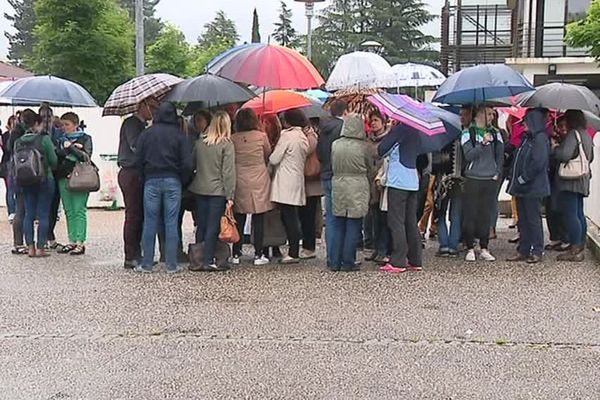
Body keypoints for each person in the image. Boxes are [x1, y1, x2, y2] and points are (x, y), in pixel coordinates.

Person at [135, 102, 193, 274]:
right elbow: (188, 164)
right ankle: (171, 264)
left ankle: (146, 264)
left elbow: (138, 159)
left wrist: (144, 177)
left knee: (150, 221)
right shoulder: (179, 135)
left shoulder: (146, 134)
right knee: (171, 222)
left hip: (151, 180)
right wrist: (182, 180)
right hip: (173, 180)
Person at [188, 111, 235, 271]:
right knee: (213, 226)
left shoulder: (200, 143)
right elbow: (228, 172)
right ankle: (208, 259)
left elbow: (192, 164)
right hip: (217, 191)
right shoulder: (226, 144)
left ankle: (197, 258)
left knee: (201, 224)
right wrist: (230, 195)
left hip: (199, 188)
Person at [117, 97, 158, 269]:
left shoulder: (139, 124)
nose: (154, 112)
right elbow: (136, 146)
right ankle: (130, 254)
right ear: (143, 106)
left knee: (139, 215)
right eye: (153, 108)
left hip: (136, 172)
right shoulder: (132, 123)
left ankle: (137, 253)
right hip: (131, 171)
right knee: (133, 215)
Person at [330, 115, 374, 271]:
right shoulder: (364, 146)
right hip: (357, 185)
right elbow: (370, 168)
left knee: (338, 224)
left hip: (338, 184)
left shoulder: (335, 145)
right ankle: (348, 261)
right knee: (354, 225)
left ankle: (334, 262)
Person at [377, 124, 424, 273]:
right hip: (412, 180)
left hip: (398, 181)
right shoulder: (416, 131)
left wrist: (391, 132)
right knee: (410, 221)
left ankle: (398, 260)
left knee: (396, 221)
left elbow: (382, 149)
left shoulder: (399, 130)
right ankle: (415, 259)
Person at [506, 109, 551, 264]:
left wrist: (523, 177)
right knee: (523, 220)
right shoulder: (528, 138)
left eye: (526, 120)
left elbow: (539, 162)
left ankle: (537, 250)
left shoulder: (539, 139)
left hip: (533, 186)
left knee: (533, 219)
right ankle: (523, 250)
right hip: (522, 187)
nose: (523, 124)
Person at [461, 106, 504, 262]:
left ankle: (484, 246)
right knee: (471, 213)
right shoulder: (468, 133)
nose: (492, 117)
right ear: (479, 115)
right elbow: (469, 155)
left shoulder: (495, 133)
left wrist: (497, 171)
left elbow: (500, 154)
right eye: (489, 114)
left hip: (489, 178)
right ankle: (470, 247)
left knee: (486, 213)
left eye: (493, 114)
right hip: (473, 177)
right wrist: (482, 144)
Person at [230, 108, 273, 265]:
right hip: (259, 178)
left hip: (240, 178)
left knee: (239, 216)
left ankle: (236, 252)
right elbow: (267, 154)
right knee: (259, 216)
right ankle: (259, 253)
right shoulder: (261, 136)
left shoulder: (233, 138)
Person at [14, 111, 58, 258]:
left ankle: (30, 247)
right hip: (44, 180)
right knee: (44, 214)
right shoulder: (44, 139)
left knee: (28, 214)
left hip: (25, 181)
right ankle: (41, 248)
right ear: (37, 123)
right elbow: (53, 160)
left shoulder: (18, 141)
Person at [270, 109, 311, 264]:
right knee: (292, 215)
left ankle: (293, 252)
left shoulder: (287, 136)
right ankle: (294, 249)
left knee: (289, 217)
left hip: (285, 179)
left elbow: (274, 159)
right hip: (297, 178)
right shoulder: (302, 136)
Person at [554, 110, 594, 262]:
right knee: (578, 212)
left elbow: (564, 155)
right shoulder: (587, 135)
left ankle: (575, 248)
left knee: (571, 214)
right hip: (582, 179)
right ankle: (580, 244)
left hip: (570, 180)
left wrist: (555, 148)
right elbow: (590, 157)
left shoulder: (573, 135)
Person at [54, 112, 93, 256]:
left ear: (75, 125)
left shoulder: (85, 138)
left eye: (67, 125)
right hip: (63, 176)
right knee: (68, 210)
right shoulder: (60, 139)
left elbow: (86, 157)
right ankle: (72, 239)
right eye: (63, 124)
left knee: (79, 209)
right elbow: (57, 154)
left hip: (80, 177)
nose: (64, 127)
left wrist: (71, 148)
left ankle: (80, 241)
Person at [317, 100, 348, 267]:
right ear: (345, 111)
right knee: (342, 217)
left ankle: (331, 257)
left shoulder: (323, 129)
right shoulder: (342, 129)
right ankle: (341, 256)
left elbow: (320, 154)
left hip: (326, 174)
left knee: (330, 218)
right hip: (340, 175)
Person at [365, 111, 391, 262]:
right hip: (370, 182)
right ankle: (376, 247)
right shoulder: (368, 141)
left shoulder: (387, 140)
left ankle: (383, 249)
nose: (373, 123)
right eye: (371, 121)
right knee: (374, 217)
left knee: (383, 218)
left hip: (382, 182)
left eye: (376, 120)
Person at [544, 115, 570, 252]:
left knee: (559, 209)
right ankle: (555, 237)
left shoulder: (569, 141)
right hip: (551, 178)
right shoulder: (553, 138)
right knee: (550, 208)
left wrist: (555, 149)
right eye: (560, 127)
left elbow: (562, 157)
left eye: (565, 127)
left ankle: (565, 237)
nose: (562, 130)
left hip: (562, 179)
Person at [298, 114, 321, 260]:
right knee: (308, 214)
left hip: (311, 182)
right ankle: (308, 244)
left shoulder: (310, 136)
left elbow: (305, 151)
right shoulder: (310, 134)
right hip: (309, 182)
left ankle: (309, 246)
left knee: (308, 215)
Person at [2, 115, 17, 221]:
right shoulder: (6, 135)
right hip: (8, 164)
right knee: (10, 189)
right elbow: (6, 149)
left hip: (19, 163)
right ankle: (11, 211)